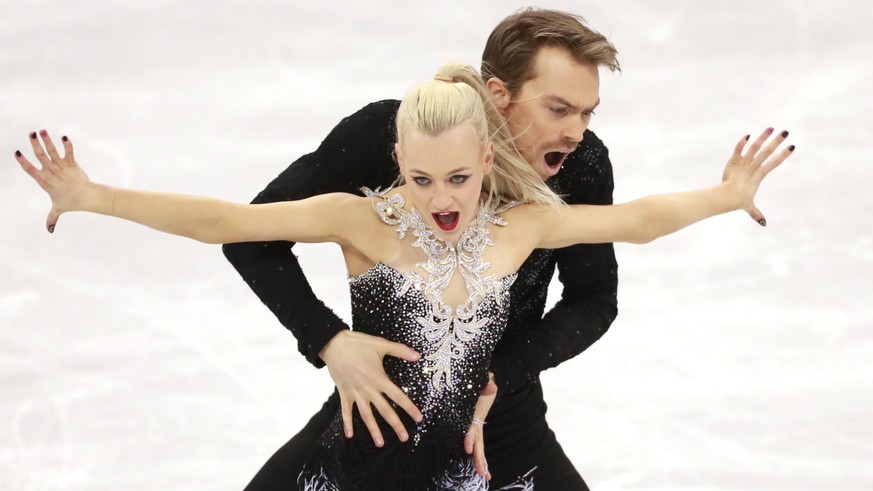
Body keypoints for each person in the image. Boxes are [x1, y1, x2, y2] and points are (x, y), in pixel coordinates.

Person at [15, 60, 792, 489]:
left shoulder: (524, 226)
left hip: (472, 464)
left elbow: (637, 222)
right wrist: (95, 197)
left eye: (456, 179)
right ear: (398, 167)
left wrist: (725, 196)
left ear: (486, 161)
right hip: (360, 458)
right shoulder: (363, 220)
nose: (438, 201)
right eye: (419, 181)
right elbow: (228, 222)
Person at [224, 8, 627, 490]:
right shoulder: (393, 138)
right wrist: (328, 339)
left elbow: (594, 297)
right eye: (559, 109)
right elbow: (249, 237)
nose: (576, 132)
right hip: (383, 418)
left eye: (587, 112)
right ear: (499, 96)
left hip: (502, 427)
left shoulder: (581, 165)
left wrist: (500, 372)